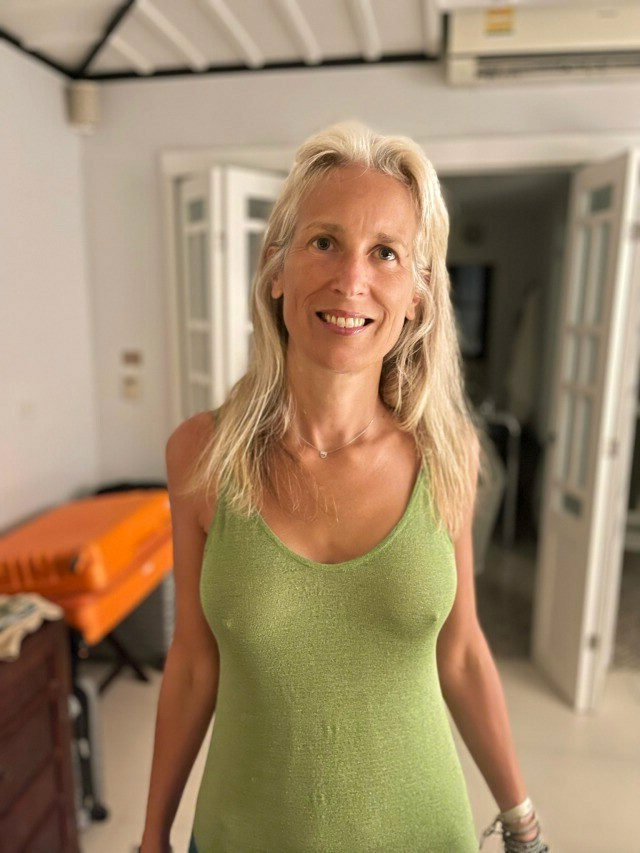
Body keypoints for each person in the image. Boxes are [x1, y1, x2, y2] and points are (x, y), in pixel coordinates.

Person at [140, 122, 549, 853]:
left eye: (385, 252)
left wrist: (521, 820)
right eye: (324, 241)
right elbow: (194, 663)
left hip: (423, 834)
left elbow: (461, 653)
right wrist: (152, 835)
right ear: (276, 270)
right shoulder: (201, 455)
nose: (351, 279)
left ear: (417, 295)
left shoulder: (447, 453)